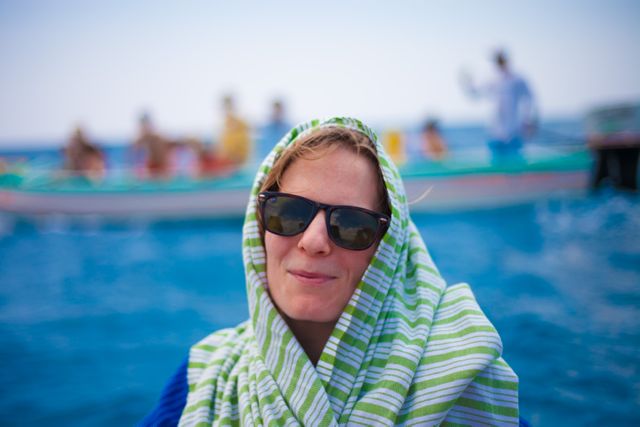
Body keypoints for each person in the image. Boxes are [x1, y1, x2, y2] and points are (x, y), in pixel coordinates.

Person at [140, 117, 520, 426]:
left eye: (351, 224)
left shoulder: (465, 383)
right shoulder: (202, 380)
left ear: (387, 250)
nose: (313, 241)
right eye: (287, 212)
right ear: (259, 226)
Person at [461, 50, 537, 159]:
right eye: (498, 60)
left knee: (516, 164)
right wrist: (467, 83)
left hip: (514, 130)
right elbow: (475, 93)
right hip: (494, 131)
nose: (500, 63)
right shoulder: (490, 80)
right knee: (497, 165)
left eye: (501, 60)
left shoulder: (517, 79)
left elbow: (529, 98)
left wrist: (528, 119)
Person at [131, 112, 174, 179]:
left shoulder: (158, 139)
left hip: (161, 172)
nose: (144, 128)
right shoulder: (140, 141)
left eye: (145, 125)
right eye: (143, 125)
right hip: (153, 172)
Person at [218, 95, 251, 165]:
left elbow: (245, 144)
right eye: (225, 105)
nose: (227, 108)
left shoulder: (241, 123)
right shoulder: (224, 125)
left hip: (240, 160)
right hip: (227, 161)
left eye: (229, 105)